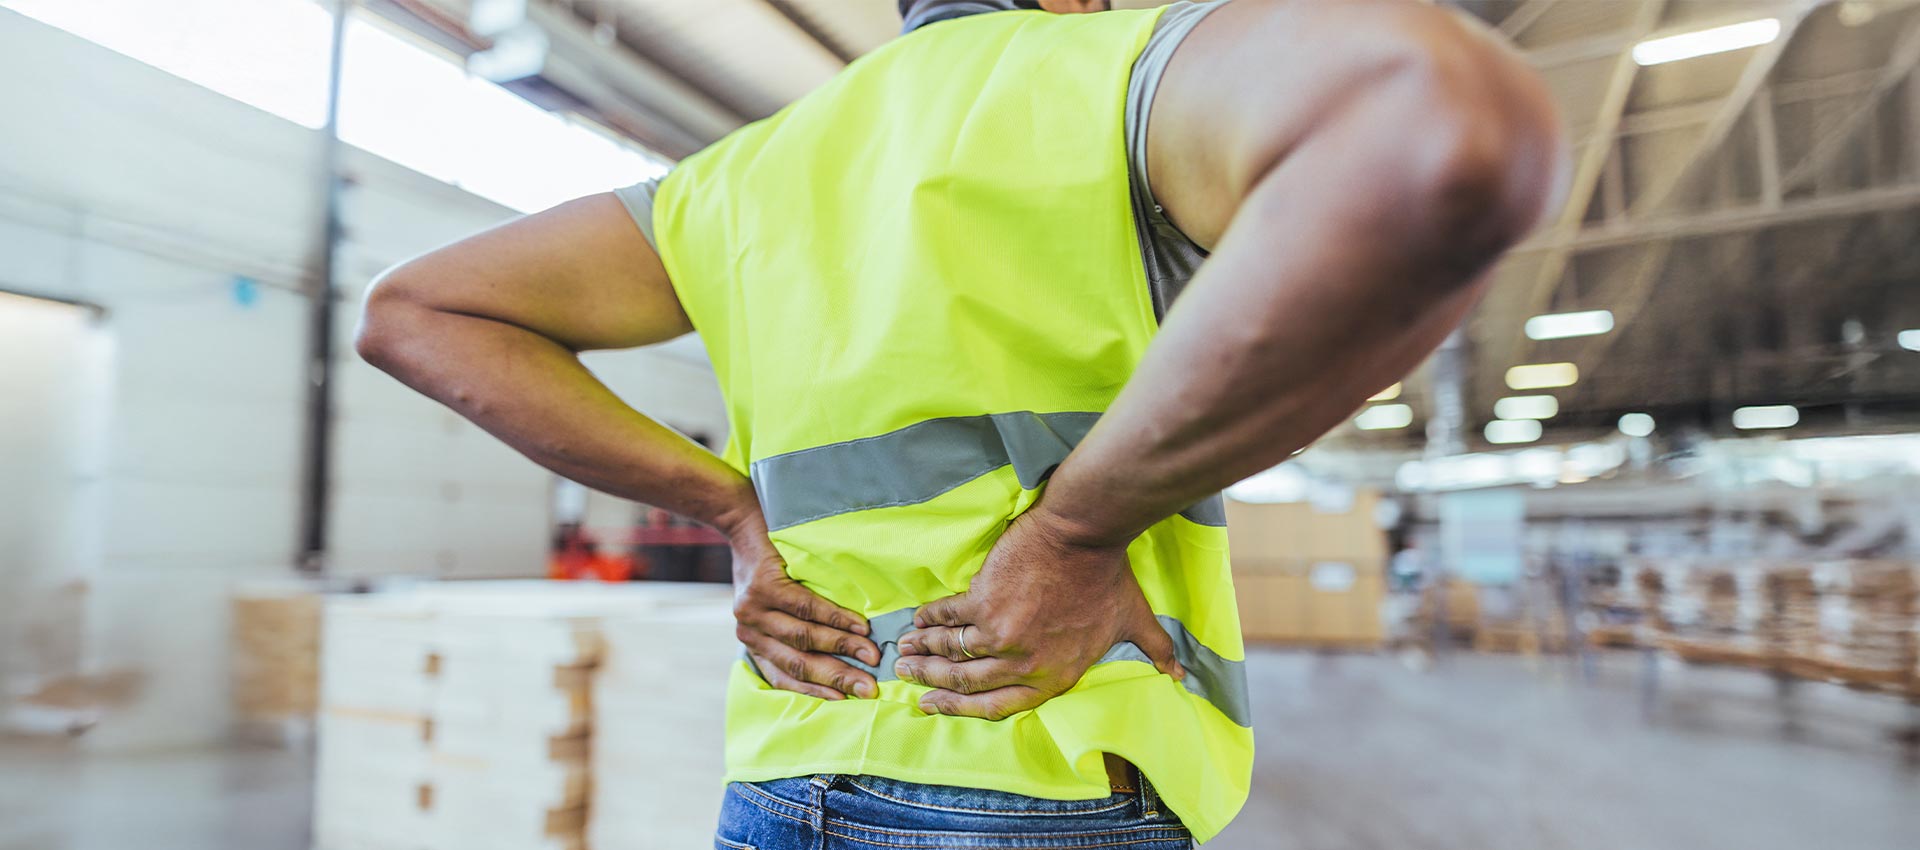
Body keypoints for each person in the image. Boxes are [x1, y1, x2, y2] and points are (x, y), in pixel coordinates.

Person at [355, 0, 1565, 844]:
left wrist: (727, 506)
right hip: (1040, 765)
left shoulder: (742, 177)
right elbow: (1440, 123)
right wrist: (1076, 534)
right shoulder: (1109, 74)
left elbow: (416, 312)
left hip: (782, 776)